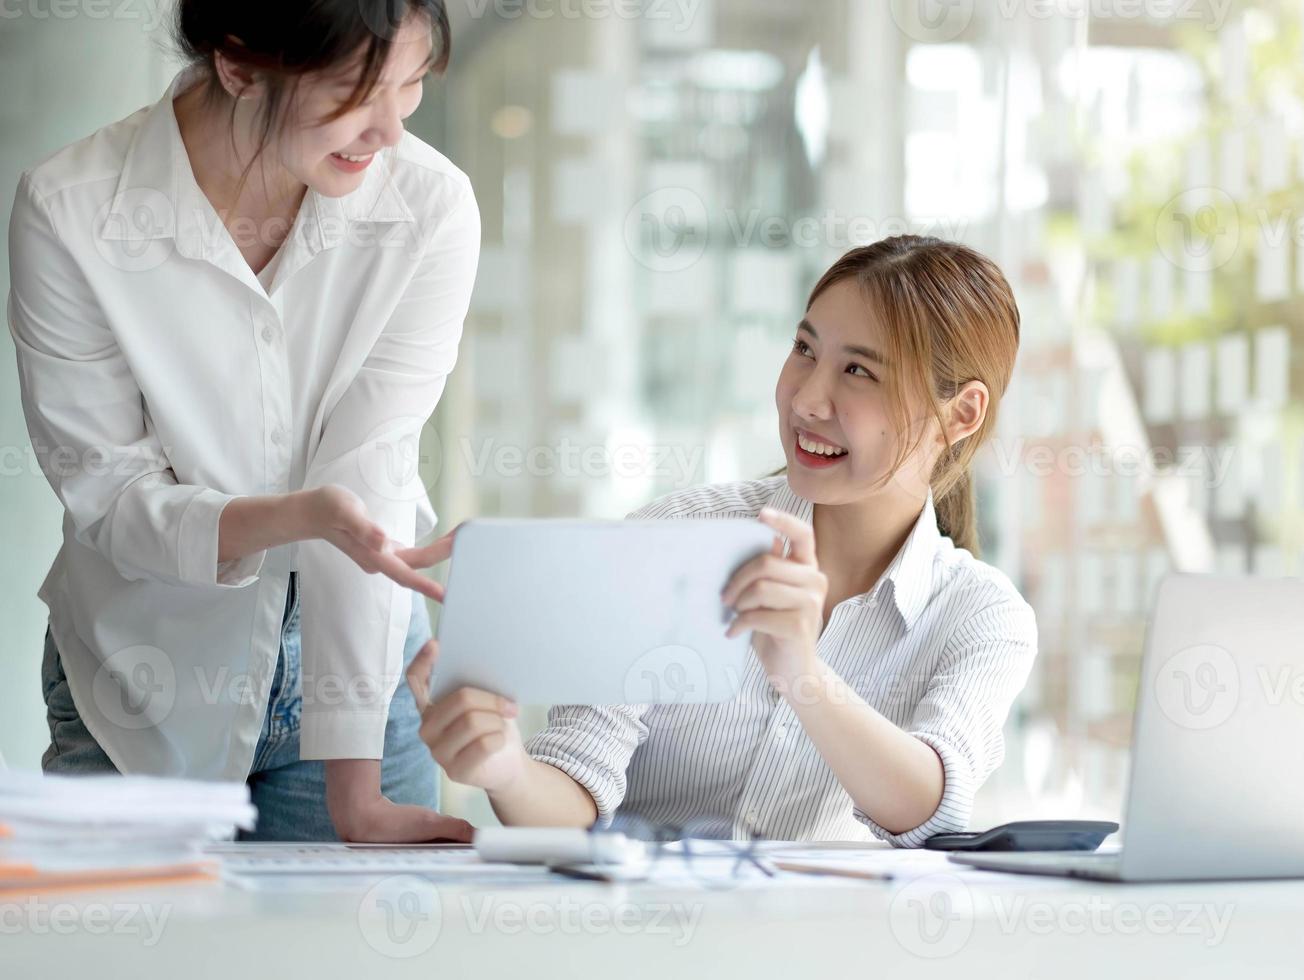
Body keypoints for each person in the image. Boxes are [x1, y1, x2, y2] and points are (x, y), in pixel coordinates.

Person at [9, 0, 477, 842]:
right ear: (237, 64)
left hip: (360, 659)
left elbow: (372, 461)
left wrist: (355, 790)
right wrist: (296, 518)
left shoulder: (431, 207)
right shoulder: (72, 209)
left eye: (409, 88)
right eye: (355, 92)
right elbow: (110, 495)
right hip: (139, 671)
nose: (389, 132)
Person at [408, 236, 1038, 844]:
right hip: (634, 937)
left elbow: (928, 808)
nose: (808, 400)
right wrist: (504, 768)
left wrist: (803, 674)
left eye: (858, 372)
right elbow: (574, 794)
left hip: (824, 947)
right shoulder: (675, 540)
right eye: (804, 350)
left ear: (961, 414)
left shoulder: (981, 616)